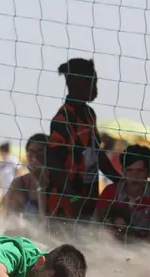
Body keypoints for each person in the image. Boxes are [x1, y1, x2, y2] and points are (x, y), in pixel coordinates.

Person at [47, 58, 120, 224]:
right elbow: (54, 165)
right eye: (91, 82)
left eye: (95, 82)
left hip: (89, 196)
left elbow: (97, 153)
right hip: (66, 204)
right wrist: (73, 198)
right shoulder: (62, 119)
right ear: (74, 83)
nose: (95, 88)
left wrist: (121, 181)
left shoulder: (89, 114)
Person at [94, 145, 150, 244]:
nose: (135, 176)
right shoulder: (110, 191)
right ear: (123, 172)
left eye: (140, 171)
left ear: (149, 173)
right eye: (130, 170)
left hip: (144, 253)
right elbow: (95, 228)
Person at [4, 133, 48, 219]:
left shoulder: (59, 181)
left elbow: (46, 222)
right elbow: (10, 222)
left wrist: (40, 183)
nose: (35, 157)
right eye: (31, 153)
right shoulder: (19, 184)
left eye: (40, 152)